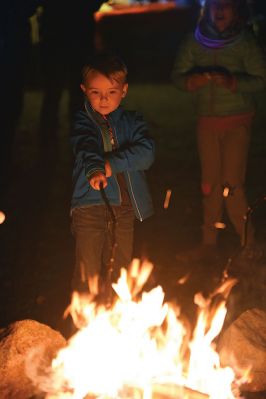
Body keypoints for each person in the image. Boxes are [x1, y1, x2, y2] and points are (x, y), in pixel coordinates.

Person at [171, 0, 266, 262]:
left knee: (232, 184)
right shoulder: (194, 41)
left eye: (227, 5)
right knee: (209, 184)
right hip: (207, 124)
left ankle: (249, 243)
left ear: (237, 10)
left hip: (237, 122)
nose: (220, 10)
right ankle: (208, 243)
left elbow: (262, 78)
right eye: (215, 5)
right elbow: (177, 76)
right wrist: (192, 81)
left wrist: (233, 82)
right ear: (207, 9)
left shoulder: (245, 42)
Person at [70, 54, 155, 292]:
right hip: (89, 207)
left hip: (125, 209)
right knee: (88, 272)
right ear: (84, 90)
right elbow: (86, 146)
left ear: (124, 90)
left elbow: (146, 153)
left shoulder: (133, 121)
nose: (104, 99)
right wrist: (96, 167)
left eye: (111, 92)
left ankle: (117, 320)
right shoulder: (83, 122)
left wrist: (110, 164)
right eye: (96, 92)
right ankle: (84, 321)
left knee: (120, 272)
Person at [39, 0, 105, 141]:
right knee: (76, 91)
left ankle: (47, 138)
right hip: (79, 31)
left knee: (52, 90)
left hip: (54, 32)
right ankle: (78, 135)